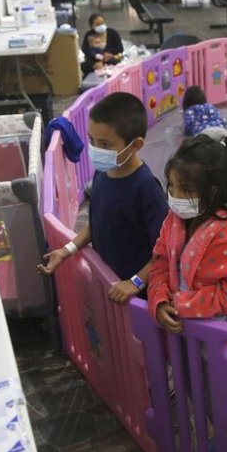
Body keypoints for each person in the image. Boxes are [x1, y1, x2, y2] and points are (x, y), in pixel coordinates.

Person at [38, 93, 167, 305]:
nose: (96, 150)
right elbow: (97, 222)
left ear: (135, 145)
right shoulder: (103, 172)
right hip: (110, 285)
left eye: (105, 145)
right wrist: (66, 251)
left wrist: (135, 282)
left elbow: (165, 249)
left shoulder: (146, 189)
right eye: (92, 140)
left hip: (137, 298)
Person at [146, 135, 227, 357]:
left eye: (186, 189)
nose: (175, 196)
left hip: (220, 337)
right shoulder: (174, 220)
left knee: (215, 378)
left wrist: (183, 304)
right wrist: (159, 300)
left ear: (212, 190)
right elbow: (160, 263)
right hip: (181, 329)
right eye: (172, 186)